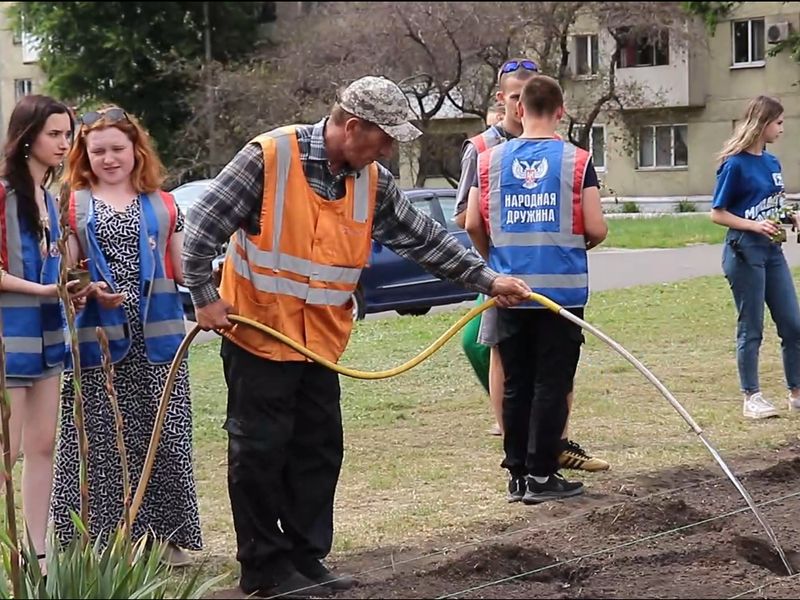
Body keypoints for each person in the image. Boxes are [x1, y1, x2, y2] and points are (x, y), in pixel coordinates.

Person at [181, 75, 531, 598]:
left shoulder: (373, 181)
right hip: (258, 333)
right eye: (383, 138)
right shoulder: (270, 157)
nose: (388, 149)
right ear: (350, 126)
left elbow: (423, 237)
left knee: (319, 450)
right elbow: (202, 226)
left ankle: (304, 556)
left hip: (320, 342)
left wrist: (486, 279)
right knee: (259, 452)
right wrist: (204, 296)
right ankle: (264, 566)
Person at [51, 105, 202, 565]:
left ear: (137, 151)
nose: (109, 158)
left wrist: (212, 290)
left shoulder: (165, 202)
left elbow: (184, 265)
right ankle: (100, 539)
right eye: (98, 151)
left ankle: (165, 538)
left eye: (118, 149)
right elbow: (66, 269)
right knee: (98, 437)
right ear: (85, 154)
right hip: (99, 340)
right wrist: (84, 288)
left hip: (159, 340)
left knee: (164, 436)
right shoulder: (73, 202)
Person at [455, 58, 609, 471]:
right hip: (560, 294)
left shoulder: (490, 160)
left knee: (516, 382)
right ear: (561, 111)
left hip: (507, 292)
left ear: (520, 109)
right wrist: (573, 247)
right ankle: (543, 472)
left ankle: (518, 471)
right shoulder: (577, 161)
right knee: (552, 383)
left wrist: (494, 264)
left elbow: (471, 222)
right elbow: (596, 228)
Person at [0, 94, 87, 569]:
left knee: (42, 445)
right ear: (27, 135)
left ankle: (38, 553)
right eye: (54, 133)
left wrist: (68, 289)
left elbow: (56, 267)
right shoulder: (2, 194)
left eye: (67, 134)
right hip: (8, 335)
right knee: (5, 451)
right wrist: (42, 289)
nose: (63, 143)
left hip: (50, 333)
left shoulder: (52, 200)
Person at [710, 95, 800, 420]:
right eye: (778, 122)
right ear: (762, 124)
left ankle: (796, 392)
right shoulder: (735, 164)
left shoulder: (772, 162)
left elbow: (772, 202)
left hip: (772, 252)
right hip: (743, 251)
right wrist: (753, 225)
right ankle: (752, 397)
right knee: (752, 327)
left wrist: (790, 215)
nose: (781, 128)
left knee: (793, 324)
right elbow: (717, 214)